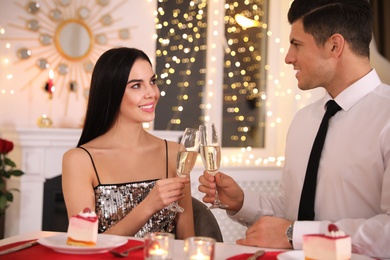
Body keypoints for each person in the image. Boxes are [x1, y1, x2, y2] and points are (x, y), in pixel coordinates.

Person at [198, 0, 390, 258]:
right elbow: (294, 212)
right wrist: (242, 202)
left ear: (335, 45)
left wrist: (294, 235)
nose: (289, 57)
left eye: (296, 44)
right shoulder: (304, 120)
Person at [62, 47, 195, 239]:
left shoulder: (174, 152)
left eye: (152, 82)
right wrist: (148, 206)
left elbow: (188, 240)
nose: (152, 93)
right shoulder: (79, 160)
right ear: (111, 93)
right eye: (136, 86)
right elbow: (83, 243)